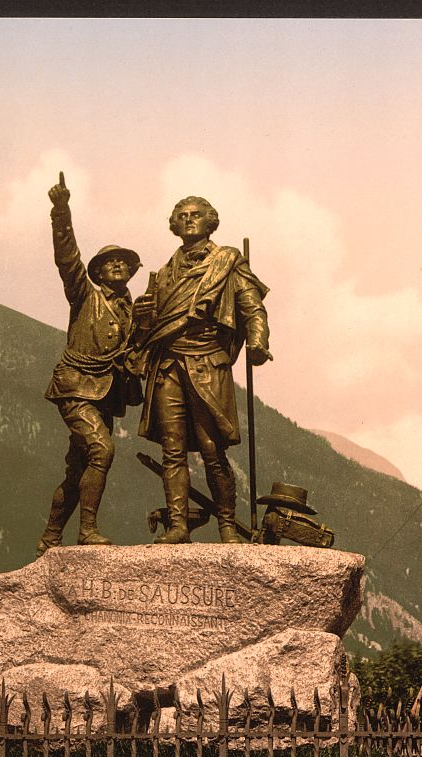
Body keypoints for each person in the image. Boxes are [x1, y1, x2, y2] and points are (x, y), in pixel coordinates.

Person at [131, 196, 271, 544]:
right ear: (173, 225)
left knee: (211, 447)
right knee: (173, 449)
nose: (189, 220)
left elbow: (252, 308)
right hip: (168, 366)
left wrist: (257, 341)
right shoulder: (162, 274)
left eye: (196, 215)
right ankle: (178, 526)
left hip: (208, 363)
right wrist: (142, 317)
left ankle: (227, 525)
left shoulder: (227, 262)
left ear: (211, 222)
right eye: (182, 216)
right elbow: (149, 329)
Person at [38, 173, 142, 554]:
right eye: (109, 262)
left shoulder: (133, 310)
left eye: (124, 263)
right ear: (97, 273)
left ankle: (50, 536)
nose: (117, 266)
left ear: (131, 272)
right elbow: (68, 257)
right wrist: (60, 211)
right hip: (76, 386)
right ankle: (87, 531)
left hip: (105, 394)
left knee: (78, 467)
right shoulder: (84, 295)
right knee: (102, 451)